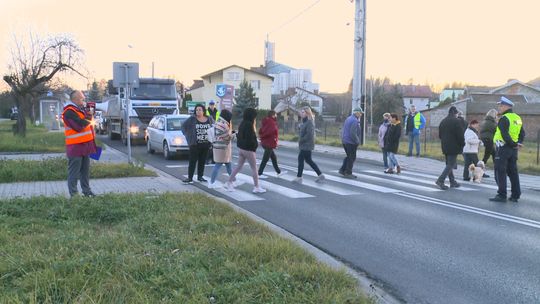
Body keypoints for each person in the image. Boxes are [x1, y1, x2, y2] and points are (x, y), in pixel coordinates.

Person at [61, 90, 97, 198]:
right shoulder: (69, 111)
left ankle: (87, 191)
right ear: (75, 99)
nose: (84, 100)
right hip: (75, 147)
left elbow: (87, 124)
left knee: (85, 171)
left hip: (85, 146)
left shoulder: (79, 110)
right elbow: (78, 126)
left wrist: (89, 113)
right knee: (74, 172)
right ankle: (74, 194)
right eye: (82, 98)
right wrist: (89, 115)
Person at [489, 96, 525, 203]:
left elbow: (504, 134)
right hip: (513, 150)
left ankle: (501, 195)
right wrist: (518, 143)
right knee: (513, 172)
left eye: (501, 105)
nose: (499, 107)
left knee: (501, 171)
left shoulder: (504, 118)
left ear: (506, 106)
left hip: (504, 148)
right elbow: (522, 133)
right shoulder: (517, 118)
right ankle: (515, 195)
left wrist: (513, 144)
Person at [225, 108, 266, 193]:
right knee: (254, 168)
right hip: (249, 149)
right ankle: (256, 187)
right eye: (255, 116)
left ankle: (229, 182)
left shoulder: (242, 123)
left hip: (241, 149)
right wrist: (256, 144)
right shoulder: (249, 125)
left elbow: (241, 136)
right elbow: (250, 139)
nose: (255, 118)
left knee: (239, 166)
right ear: (252, 116)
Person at [181, 104, 213, 184]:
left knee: (202, 161)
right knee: (192, 161)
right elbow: (183, 127)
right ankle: (190, 178)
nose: (198, 111)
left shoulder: (209, 119)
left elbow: (214, 128)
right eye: (197, 110)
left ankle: (200, 176)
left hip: (206, 144)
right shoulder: (192, 119)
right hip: (195, 144)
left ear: (203, 111)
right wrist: (188, 136)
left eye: (200, 110)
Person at [293, 106, 325, 184]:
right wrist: (299, 128)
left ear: (307, 113)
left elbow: (309, 135)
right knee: (309, 160)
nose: (301, 113)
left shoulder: (309, 122)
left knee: (301, 159)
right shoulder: (304, 122)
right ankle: (320, 175)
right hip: (304, 144)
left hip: (307, 144)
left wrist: (301, 140)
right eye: (301, 112)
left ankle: (299, 177)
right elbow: (303, 132)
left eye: (303, 112)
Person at [435, 106, 465, 190]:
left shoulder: (443, 121)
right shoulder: (457, 121)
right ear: (455, 113)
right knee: (451, 164)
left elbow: (440, 135)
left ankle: (452, 181)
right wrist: (462, 144)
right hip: (454, 146)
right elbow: (460, 135)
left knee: (449, 163)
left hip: (445, 145)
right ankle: (440, 180)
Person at [209, 109, 234, 188]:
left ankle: (233, 180)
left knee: (228, 164)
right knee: (218, 165)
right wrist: (233, 135)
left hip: (219, 146)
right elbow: (226, 136)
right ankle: (212, 183)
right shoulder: (222, 124)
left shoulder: (218, 122)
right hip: (222, 148)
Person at [258, 110, 286, 178]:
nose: (276, 116)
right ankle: (259, 173)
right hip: (269, 143)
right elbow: (272, 133)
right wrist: (274, 143)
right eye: (275, 114)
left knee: (273, 158)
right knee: (265, 159)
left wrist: (261, 137)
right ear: (273, 115)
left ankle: (278, 172)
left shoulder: (265, 121)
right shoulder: (272, 122)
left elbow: (261, 130)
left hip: (265, 142)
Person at [339, 107, 363, 178]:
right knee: (352, 157)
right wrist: (357, 141)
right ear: (357, 113)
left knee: (349, 156)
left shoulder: (348, 118)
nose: (361, 115)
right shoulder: (354, 120)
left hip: (345, 140)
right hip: (351, 142)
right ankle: (348, 172)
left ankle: (342, 170)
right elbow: (353, 133)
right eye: (360, 113)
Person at [479, 109, 498, 174]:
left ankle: (497, 168)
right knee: (486, 156)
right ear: (494, 115)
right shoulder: (492, 122)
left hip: (484, 139)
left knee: (494, 154)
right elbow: (496, 130)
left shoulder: (485, 121)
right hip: (489, 139)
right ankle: (479, 170)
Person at [205, 100, 220, 165]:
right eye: (211, 104)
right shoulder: (207, 111)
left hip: (215, 129)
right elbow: (206, 119)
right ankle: (207, 159)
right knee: (209, 145)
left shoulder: (217, 112)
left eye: (213, 104)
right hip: (208, 129)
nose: (212, 106)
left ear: (214, 105)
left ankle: (213, 159)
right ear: (209, 105)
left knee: (214, 145)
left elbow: (218, 120)